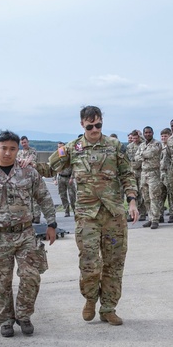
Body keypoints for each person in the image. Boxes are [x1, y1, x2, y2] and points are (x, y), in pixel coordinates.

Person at [48, 106, 138, 325]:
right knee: (89, 262)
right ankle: (90, 299)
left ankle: (108, 308)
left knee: (114, 262)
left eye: (98, 124)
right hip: (87, 215)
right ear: (82, 125)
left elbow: (127, 173)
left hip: (113, 213)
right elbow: (50, 167)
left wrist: (132, 200)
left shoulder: (115, 146)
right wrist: (26, 164)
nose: (95, 129)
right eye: (90, 126)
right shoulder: (72, 148)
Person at [0, 130, 57, 337]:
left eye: (13, 149)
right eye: (4, 148)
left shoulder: (28, 173)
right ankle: (5, 320)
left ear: (17, 150)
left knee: (31, 276)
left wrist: (52, 223)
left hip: (25, 234)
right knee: (0, 281)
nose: (8, 153)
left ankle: (23, 315)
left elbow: (44, 197)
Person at [138, 126, 164, 229]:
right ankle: (150, 217)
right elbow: (136, 157)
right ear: (144, 134)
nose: (148, 134)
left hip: (153, 172)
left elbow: (151, 153)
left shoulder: (157, 143)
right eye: (146, 133)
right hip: (144, 173)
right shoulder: (142, 145)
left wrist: (142, 154)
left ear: (152, 133)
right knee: (146, 198)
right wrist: (142, 155)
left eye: (149, 132)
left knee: (154, 197)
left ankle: (155, 219)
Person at [54, 141, 77, 217]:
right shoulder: (57, 157)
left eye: (61, 147)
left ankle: (74, 210)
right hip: (61, 177)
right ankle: (66, 211)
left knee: (72, 195)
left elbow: (74, 167)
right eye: (58, 147)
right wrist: (55, 179)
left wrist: (72, 177)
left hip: (68, 177)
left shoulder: (68, 156)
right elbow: (54, 168)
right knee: (62, 195)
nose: (60, 148)